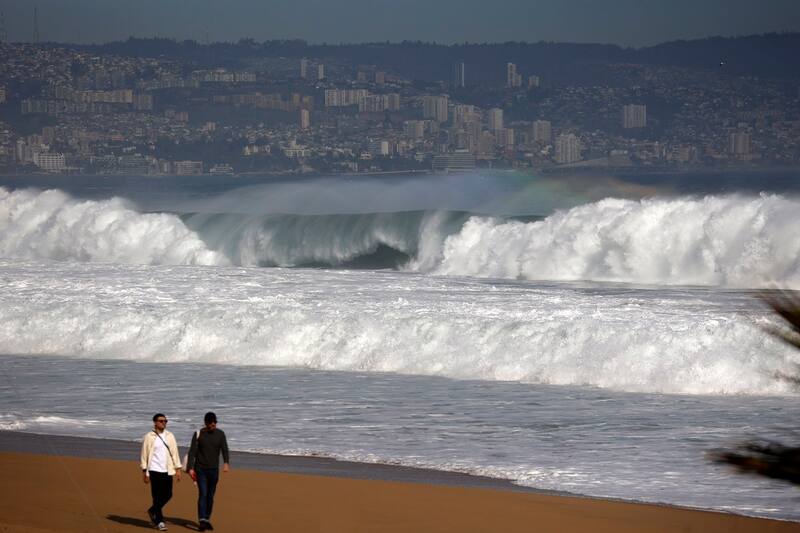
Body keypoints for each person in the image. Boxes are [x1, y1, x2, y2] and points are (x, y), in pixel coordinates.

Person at [187, 412, 230, 532]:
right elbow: (192, 452)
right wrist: (190, 468)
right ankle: (201, 521)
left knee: (211, 496)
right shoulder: (198, 434)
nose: (213, 425)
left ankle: (206, 519)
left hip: (214, 470)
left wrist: (226, 463)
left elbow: (224, 449)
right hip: (200, 470)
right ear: (206, 423)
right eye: (211, 423)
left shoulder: (220, 434)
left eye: (215, 422)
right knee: (203, 494)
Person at [140, 413, 181, 531]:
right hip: (153, 469)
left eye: (165, 421)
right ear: (155, 423)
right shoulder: (149, 436)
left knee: (168, 494)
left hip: (167, 470)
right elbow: (144, 454)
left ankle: (152, 510)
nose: (164, 423)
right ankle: (160, 521)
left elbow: (174, 452)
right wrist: (144, 472)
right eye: (161, 421)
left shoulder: (170, 436)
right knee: (156, 496)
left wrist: (177, 469)